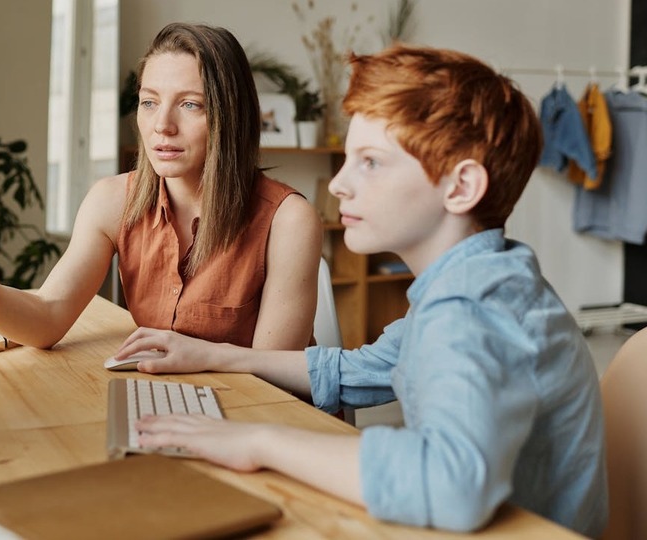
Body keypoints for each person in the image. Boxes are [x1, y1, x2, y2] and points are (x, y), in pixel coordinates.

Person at [116, 45, 608, 536]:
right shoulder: (481, 279)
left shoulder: (471, 307)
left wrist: (258, 442)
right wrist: (213, 354)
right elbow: (358, 369)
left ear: (460, 188)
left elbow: (450, 485)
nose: (339, 185)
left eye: (370, 162)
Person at [0, 22, 322, 350]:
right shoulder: (113, 200)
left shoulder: (289, 220)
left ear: (232, 117)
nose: (162, 126)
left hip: (262, 424)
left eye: (190, 105)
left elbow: (273, 380)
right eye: (149, 102)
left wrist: (187, 359)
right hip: (173, 409)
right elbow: (48, 316)